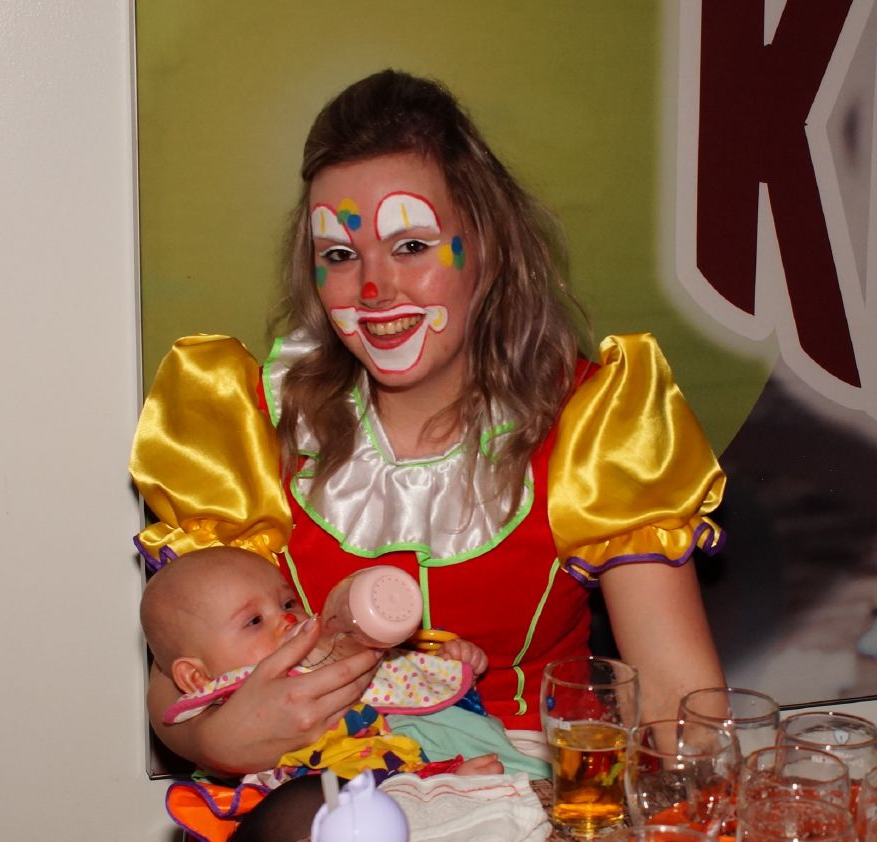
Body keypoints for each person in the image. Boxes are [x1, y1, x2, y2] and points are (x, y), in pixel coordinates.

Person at [131, 67, 727, 834]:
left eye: (410, 245)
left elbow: (683, 710)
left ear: (490, 247)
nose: (373, 290)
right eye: (341, 255)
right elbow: (175, 675)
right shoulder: (242, 423)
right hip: (319, 794)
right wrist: (217, 737)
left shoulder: (597, 423)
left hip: (521, 798)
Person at [140, 546, 508, 840]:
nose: (288, 620)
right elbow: (176, 713)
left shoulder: (329, 653)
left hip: (386, 775)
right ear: (195, 676)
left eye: (288, 603)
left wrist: (445, 667)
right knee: (301, 810)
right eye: (254, 621)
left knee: (421, 783)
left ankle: (441, 794)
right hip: (298, 793)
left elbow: (396, 677)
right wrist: (216, 738)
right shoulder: (224, 690)